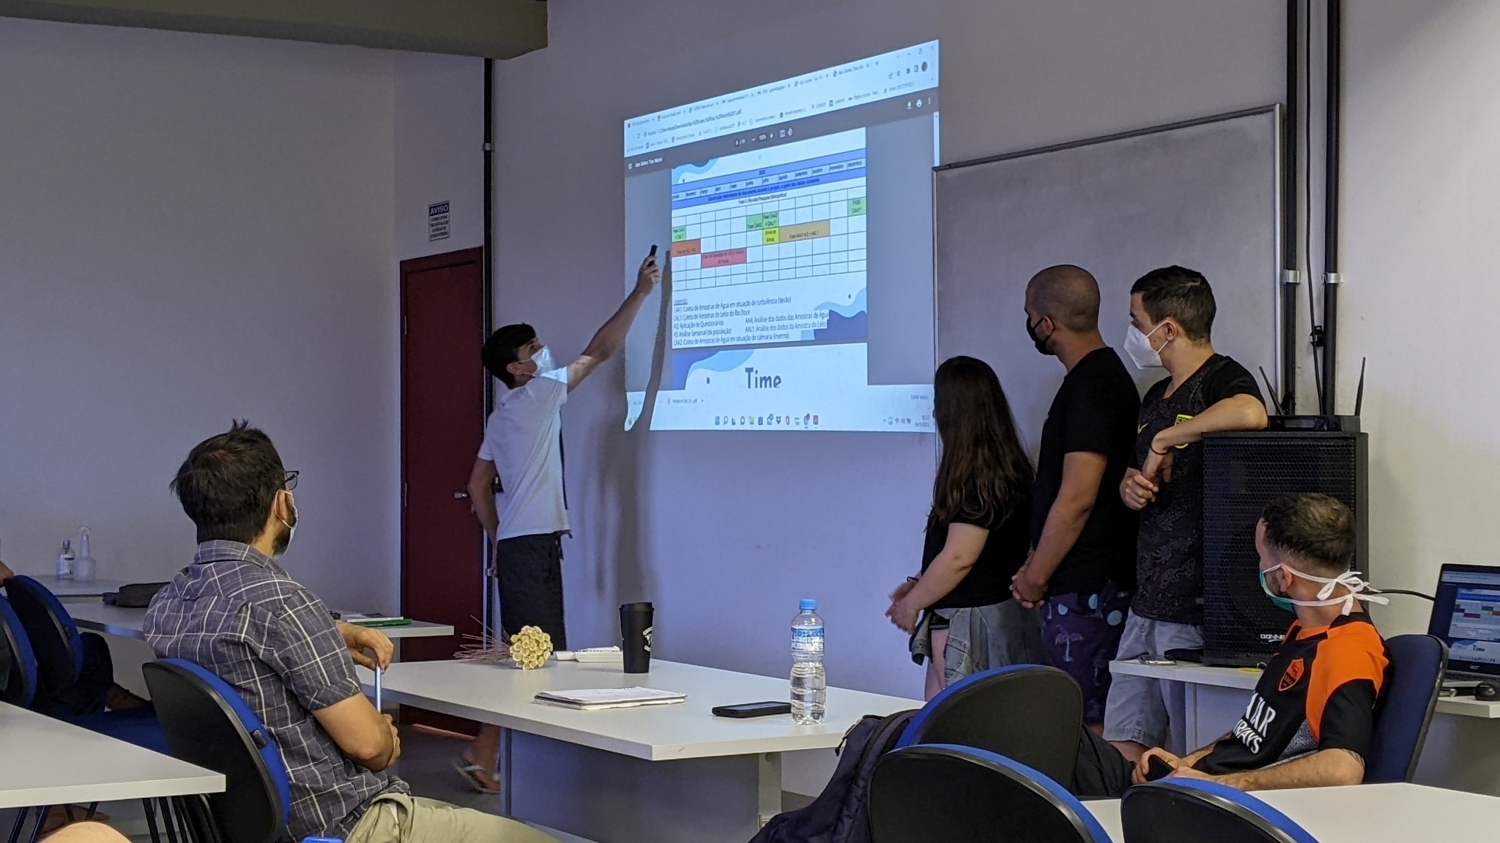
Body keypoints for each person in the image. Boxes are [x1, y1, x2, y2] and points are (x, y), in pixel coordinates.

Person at [143, 422, 559, 843]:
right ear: (280, 503)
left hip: (249, 828)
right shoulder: (284, 603)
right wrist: (386, 735)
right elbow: (369, 748)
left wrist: (329, 630)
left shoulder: (167, 604)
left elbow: (238, 635)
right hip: (346, 825)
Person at [456, 251, 661, 792]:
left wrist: (498, 537)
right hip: (533, 550)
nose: (542, 352)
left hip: (528, 546)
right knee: (539, 660)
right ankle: (511, 762)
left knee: (532, 656)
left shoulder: (502, 415)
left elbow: (478, 484)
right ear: (518, 368)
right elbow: (601, 349)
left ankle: (487, 752)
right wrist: (640, 294)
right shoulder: (540, 395)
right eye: (532, 348)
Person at [1075, 494, 1388, 795]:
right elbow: (1251, 737)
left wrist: (1222, 786)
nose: (1258, 568)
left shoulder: (1346, 651)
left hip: (1219, 808)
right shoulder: (1304, 631)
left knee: (1052, 728)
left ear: (1283, 577)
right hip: (1192, 789)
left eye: (1260, 559)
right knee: (1054, 725)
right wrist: (1184, 764)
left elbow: (1343, 768)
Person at [1103, 265, 1269, 762]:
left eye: (1137, 321)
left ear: (1168, 329)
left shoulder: (1223, 378)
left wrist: (1168, 437)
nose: (1133, 333)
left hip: (1195, 607)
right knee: (1124, 739)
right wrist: (1130, 486)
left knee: (1187, 749)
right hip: (1147, 598)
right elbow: (1140, 473)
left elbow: (1251, 414)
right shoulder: (1155, 395)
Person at [1010, 265, 1141, 730]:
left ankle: (1097, 803)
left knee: (1091, 722)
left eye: (1029, 315)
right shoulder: (1097, 379)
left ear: (1046, 323)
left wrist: (1035, 577)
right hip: (1086, 584)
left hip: (1089, 588)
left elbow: (1076, 497)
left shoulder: (1093, 386)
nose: (1029, 325)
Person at [886, 356, 1045, 700]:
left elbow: (960, 556)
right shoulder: (1011, 469)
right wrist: (920, 582)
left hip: (969, 623)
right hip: (1001, 617)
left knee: (954, 724)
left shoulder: (974, 476)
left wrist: (912, 604)